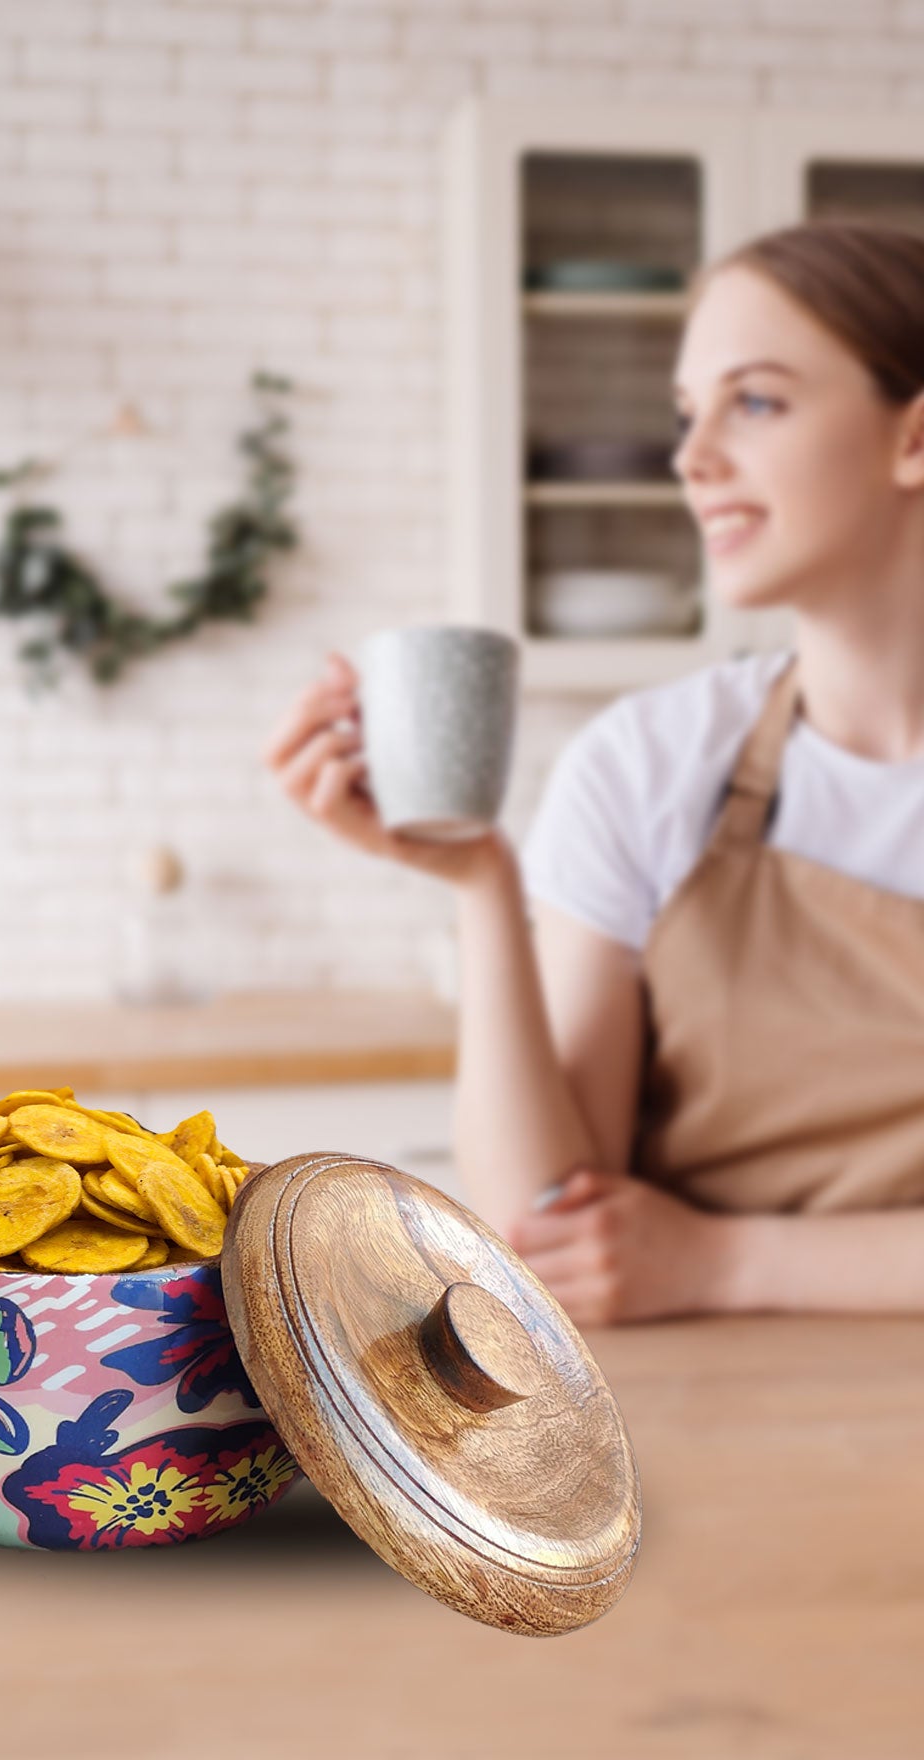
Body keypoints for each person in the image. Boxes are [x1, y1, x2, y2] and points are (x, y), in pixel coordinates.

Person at [263, 218, 924, 1325]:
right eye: (684, 413)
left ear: (912, 438)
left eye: (753, 401)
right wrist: (480, 882)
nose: (690, 455)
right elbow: (548, 1230)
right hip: (722, 1427)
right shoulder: (650, 763)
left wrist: (723, 1262)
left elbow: (656, 1260)